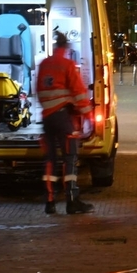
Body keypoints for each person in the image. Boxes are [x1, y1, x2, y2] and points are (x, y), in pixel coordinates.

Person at [36, 31, 94, 215]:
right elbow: (79, 93)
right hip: (63, 118)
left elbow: (39, 90)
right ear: (66, 49)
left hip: (47, 118)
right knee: (70, 158)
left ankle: (50, 202)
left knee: (50, 160)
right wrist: (89, 117)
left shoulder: (44, 64)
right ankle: (72, 201)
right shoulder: (68, 65)